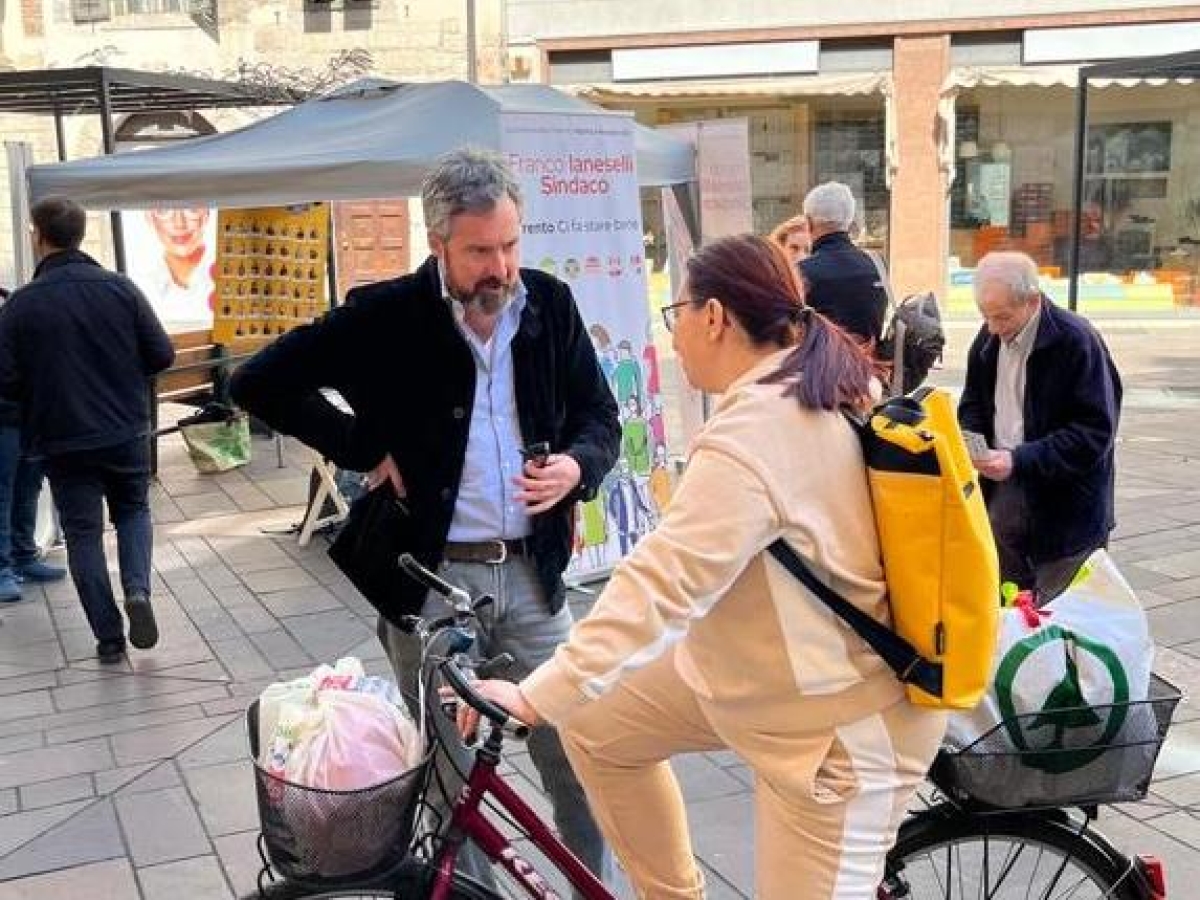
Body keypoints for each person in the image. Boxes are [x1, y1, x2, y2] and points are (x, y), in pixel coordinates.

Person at [461, 234, 947, 900]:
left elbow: (662, 584)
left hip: (838, 735)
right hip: (763, 682)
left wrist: (533, 696)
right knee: (597, 726)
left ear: (713, 317)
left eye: (676, 314)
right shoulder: (800, 380)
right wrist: (564, 695)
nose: (674, 335)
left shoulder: (760, 429)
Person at [230, 147, 619, 888]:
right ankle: (473, 897)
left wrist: (578, 467)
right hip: (432, 583)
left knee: (577, 753)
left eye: (510, 245)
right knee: (450, 773)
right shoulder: (385, 315)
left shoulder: (550, 303)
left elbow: (599, 415)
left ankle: (590, 888)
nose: (500, 268)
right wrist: (361, 447)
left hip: (534, 581)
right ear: (437, 242)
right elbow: (259, 380)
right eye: (479, 252)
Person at [0, 197, 175, 662]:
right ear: (80, 234)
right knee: (133, 511)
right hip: (124, 428)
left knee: (82, 534)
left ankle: (109, 637)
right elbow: (161, 354)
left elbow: (5, 380)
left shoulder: (21, 304)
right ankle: (137, 589)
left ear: (38, 236)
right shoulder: (121, 289)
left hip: (62, 437)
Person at [959, 251, 1122, 602]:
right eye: (985, 316)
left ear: (1032, 301)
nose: (993, 328)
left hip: (1066, 506)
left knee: (1063, 611)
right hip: (1004, 488)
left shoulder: (1076, 340)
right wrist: (973, 442)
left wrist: (1019, 459)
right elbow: (972, 403)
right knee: (1009, 603)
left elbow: (1094, 433)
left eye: (1002, 317)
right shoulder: (988, 339)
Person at [797, 181, 890, 349]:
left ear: (809, 223)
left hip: (822, 365)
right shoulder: (877, 264)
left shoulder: (801, 272)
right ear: (850, 221)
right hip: (871, 363)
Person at [135, 207, 215, 326]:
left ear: (206, 215)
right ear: (149, 218)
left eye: (191, 209)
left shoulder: (226, 274)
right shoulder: (139, 285)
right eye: (164, 210)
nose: (179, 224)